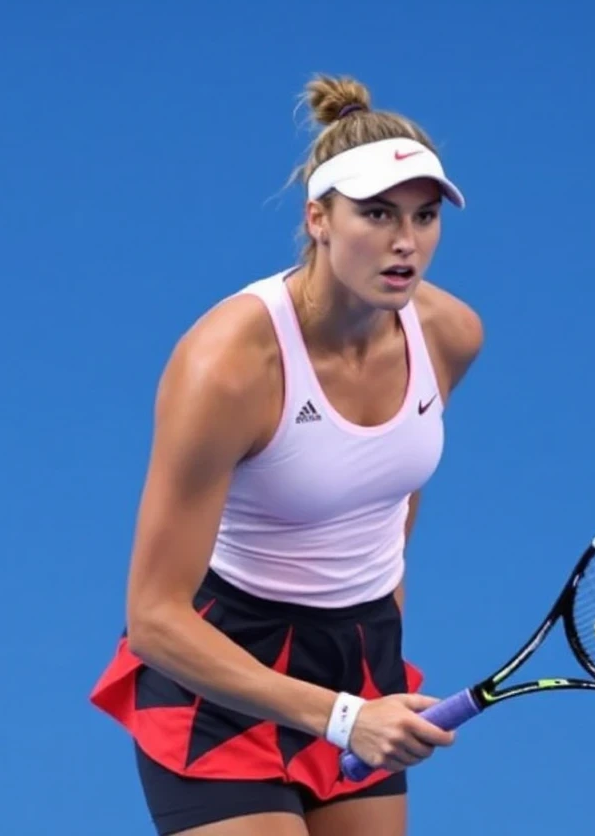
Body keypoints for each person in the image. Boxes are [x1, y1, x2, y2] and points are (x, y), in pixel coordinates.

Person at [90, 73, 484, 836]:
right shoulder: (229, 366)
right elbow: (153, 617)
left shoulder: (449, 335)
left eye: (425, 216)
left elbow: (389, 494)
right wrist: (341, 717)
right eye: (376, 214)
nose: (406, 242)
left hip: (360, 655)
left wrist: (371, 655)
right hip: (222, 665)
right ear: (319, 219)